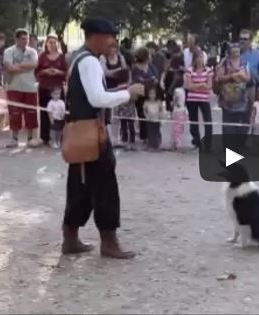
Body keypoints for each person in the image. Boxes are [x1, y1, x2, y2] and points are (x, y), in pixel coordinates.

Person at [62, 17, 145, 259]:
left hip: (81, 132)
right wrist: (126, 94)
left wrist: (118, 92)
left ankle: (70, 237)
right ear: (97, 37)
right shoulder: (89, 62)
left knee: (80, 184)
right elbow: (97, 99)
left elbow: (94, 95)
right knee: (105, 185)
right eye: (110, 37)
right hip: (92, 134)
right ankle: (109, 242)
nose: (112, 42)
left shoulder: (80, 58)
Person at [3, 28, 40, 148]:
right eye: (23, 39)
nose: (26, 41)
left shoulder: (32, 51)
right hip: (14, 86)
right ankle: (14, 138)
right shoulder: (9, 51)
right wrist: (25, 68)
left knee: (31, 112)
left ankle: (30, 138)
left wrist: (17, 66)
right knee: (15, 113)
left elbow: (34, 64)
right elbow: (9, 68)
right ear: (16, 39)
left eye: (27, 39)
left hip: (30, 87)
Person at [35, 34, 68, 146]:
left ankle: (59, 138)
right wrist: (45, 71)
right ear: (46, 44)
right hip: (44, 88)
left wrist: (58, 72)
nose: (52, 45)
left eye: (54, 42)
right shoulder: (42, 56)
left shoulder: (61, 57)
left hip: (57, 89)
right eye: (50, 42)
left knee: (59, 113)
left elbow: (66, 73)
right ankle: (45, 138)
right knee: (45, 113)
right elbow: (37, 72)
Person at [215, 43, 251, 134]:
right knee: (228, 128)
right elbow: (218, 78)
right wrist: (232, 76)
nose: (235, 53)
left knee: (240, 127)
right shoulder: (224, 62)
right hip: (227, 101)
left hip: (241, 100)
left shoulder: (244, 63)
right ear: (230, 52)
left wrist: (241, 76)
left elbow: (248, 78)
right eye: (233, 51)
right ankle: (229, 148)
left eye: (237, 51)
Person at [100, 43, 129, 143]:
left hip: (119, 87)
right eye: (111, 48)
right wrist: (118, 70)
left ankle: (116, 137)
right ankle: (107, 136)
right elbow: (105, 72)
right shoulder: (103, 58)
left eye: (114, 48)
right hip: (108, 88)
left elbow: (125, 71)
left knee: (118, 113)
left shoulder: (121, 58)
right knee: (108, 114)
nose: (113, 50)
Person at [184, 51, 213, 148]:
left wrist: (195, 86)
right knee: (193, 120)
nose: (199, 59)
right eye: (197, 57)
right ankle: (197, 141)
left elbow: (209, 86)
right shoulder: (190, 70)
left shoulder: (208, 70)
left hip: (204, 99)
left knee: (208, 120)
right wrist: (201, 85)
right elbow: (188, 86)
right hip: (192, 99)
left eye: (201, 57)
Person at [131, 47, 160, 143]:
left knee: (153, 116)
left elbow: (156, 80)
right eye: (149, 55)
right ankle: (144, 137)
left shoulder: (152, 67)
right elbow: (138, 81)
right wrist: (149, 81)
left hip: (152, 95)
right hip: (140, 96)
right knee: (142, 115)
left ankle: (155, 137)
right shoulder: (135, 69)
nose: (151, 57)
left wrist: (146, 81)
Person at [240, 29, 259, 105]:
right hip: (237, 87)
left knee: (251, 112)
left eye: (245, 39)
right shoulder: (234, 53)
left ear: (250, 41)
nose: (242, 41)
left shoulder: (257, 54)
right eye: (241, 39)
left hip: (251, 87)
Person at [170, 82, 188, 152]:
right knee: (178, 128)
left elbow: (175, 100)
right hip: (180, 110)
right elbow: (176, 100)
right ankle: (177, 144)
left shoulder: (179, 90)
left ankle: (175, 143)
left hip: (179, 110)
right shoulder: (180, 90)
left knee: (177, 128)